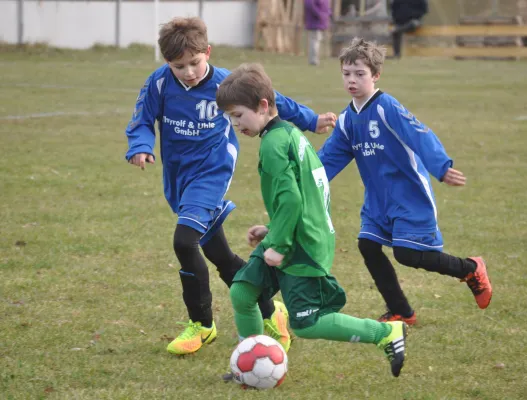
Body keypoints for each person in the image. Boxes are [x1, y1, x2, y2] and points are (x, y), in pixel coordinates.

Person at [124, 17, 337, 356]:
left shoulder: (225, 83)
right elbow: (141, 119)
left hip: (212, 171)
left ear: (207, 52)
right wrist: (140, 145)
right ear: (167, 63)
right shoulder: (160, 84)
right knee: (219, 254)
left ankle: (202, 324)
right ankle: (270, 310)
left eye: (195, 62)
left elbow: (270, 98)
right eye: (179, 66)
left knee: (183, 240)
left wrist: (311, 119)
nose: (189, 71)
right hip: (178, 176)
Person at [216, 63, 408, 379]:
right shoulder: (289, 132)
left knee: (307, 323)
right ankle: (249, 362)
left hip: (301, 244)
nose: (235, 123)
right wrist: (273, 226)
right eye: (230, 117)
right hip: (293, 231)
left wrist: (278, 242)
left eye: (238, 115)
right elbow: (310, 190)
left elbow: (292, 199)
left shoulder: (275, 145)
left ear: (263, 106)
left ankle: (385, 333)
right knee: (243, 292)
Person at [317, 38, 493, 326]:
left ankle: (471, 269)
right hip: (377, 198)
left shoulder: (387, 107)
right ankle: (401, 311)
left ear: (375, 75)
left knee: (408, 254)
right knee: (368, 245)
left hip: (408, 194)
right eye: (346, 73)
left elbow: (419, 134)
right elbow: (327, 159)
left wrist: (441, 167)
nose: (352, 80)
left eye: (359, 74)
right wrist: (302, 178)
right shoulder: (348, 119)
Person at [304, 0, 331, 65]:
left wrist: (328, 14)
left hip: (321, 22)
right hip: (315, 22)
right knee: (314, 41)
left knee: (317, 40)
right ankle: (313, 60)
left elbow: (327, 7)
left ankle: (315, 59)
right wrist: (319, 14)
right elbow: (309, 5)